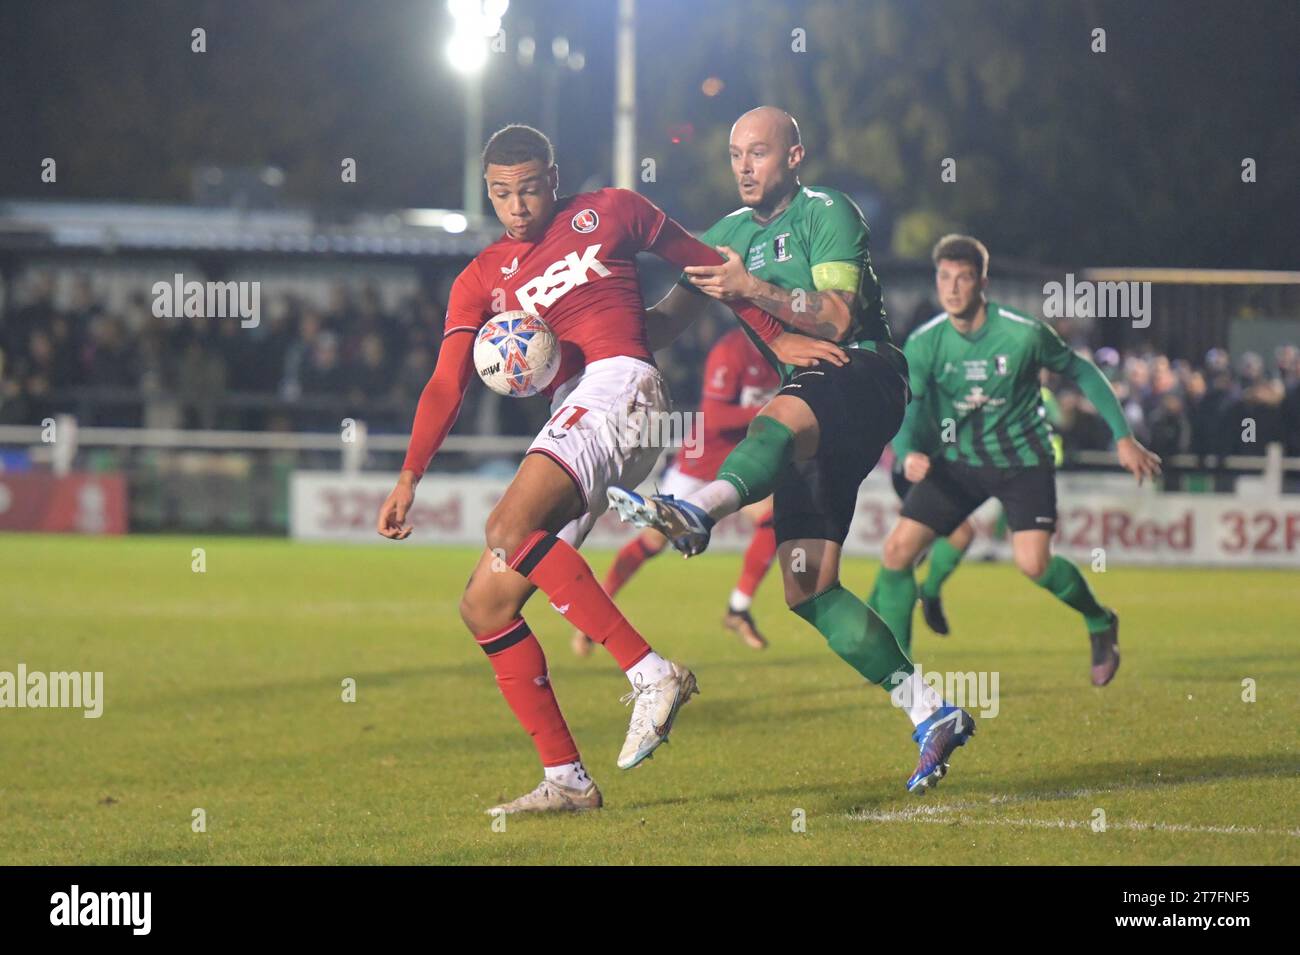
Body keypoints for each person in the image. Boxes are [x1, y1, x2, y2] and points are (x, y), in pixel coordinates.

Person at [376, 124, 843, 814]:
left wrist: (781, 334)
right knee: (486, 603)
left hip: (622, 386)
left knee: (507, 525)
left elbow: (713, 265)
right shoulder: (478, 280)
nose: (518, 206)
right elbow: (448, 383)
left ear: (554, 179)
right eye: (502, 193)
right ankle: (566, 777)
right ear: (487, 192)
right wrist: (410, 475)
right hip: (580, 407)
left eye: (531, 188)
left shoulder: (613, 211)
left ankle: (654, 673)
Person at [609, 107, 976, 793]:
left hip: (863, 370)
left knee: (773, 420)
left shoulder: (828, 212)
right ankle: (932, 712)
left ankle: (700, 512)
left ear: (795, 156)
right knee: (808, 586)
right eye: (734, 154)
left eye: (759, 153)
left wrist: (752, 288)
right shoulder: (722, 236)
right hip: (818, 399)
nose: (744, 166)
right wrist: (583, 331)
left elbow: (837, 317)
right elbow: (661, 324)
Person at [867, 235, 1162, 683]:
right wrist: (907, 452)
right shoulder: (926, 343)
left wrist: (1123, 437)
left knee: (1033, 565)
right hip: (960, 460)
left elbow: (1081, 370)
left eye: (963, 278)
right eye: (944, 277)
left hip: (1023, 460)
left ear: (982, 282)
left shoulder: (1022, 333)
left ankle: (1100, 620)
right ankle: (900, 673)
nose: (951, 288)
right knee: (896, 550)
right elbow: (912, 404)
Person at [573, 327, 780, 655]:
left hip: (740, 461)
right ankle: (594, 616)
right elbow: (715, 416)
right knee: (653, 542)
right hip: (699, 464)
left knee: (773, 519)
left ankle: (738, 609)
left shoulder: (783, 354)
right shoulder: (731, 351)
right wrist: (770, 409)